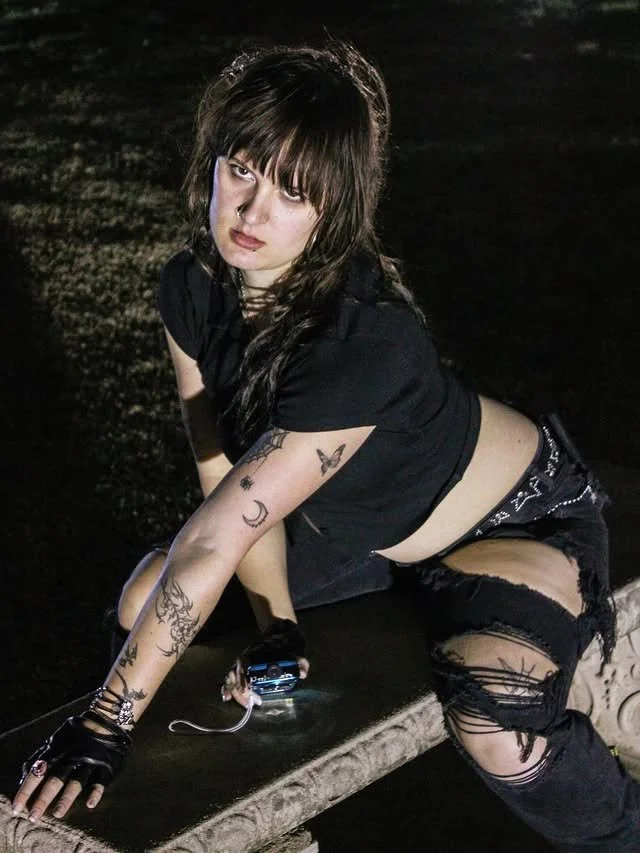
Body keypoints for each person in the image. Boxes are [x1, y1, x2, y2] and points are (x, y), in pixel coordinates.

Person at [11, 42, 640, 851]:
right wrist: (278, 625)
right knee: (144, 602)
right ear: (212, 163)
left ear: (333, 212)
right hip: (363, 536)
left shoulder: (363, 343)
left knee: (493, 710)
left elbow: (222, 531)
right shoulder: (193, 289)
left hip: (509, 527)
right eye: (241, 170)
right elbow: (221, 478)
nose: (251, 212)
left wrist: (106, 717)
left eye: (291, 192)